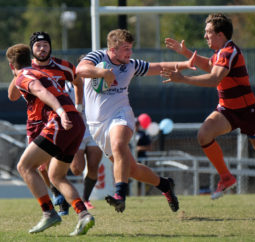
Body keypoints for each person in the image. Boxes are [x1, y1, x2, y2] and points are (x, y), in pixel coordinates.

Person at [161, 13, 255, 216]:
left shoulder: (230, 51)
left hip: (249, 112)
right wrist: (185, 52)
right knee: (203, 135)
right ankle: (226, 177)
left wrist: (183, 79)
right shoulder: (220, 52)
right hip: (227, 110)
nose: (205, 36)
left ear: (220, 34)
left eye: (208, 33)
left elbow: (214, 77)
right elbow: (209, 65)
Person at [76, 29, 196, 213]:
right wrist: (102, 73)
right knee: (130, 169)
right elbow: (81, 69)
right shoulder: (98, 56)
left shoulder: (130, 65)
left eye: (131, 48)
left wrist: (186, 64)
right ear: (113, 49)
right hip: (97, 125)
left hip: (121, 114)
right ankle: (164, 185)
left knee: (118, 145)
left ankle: (119, 196)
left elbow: (159, 66)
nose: (130, 53)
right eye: (125, 49)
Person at [6, 43, 94, 235]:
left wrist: (61, 113)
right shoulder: (38, 72)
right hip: (76, 123)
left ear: (11, 66)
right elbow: (13, 94)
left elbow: (41, 92)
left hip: (61, 121)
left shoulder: (25, 76)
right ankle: (83, 215)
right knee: (56, 175)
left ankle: (49, 213)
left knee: (24, 166)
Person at [65, 56, 103, 209]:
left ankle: (85, 199)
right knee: (76, 169)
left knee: (94, 166)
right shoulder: (70, 84)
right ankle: (62, 189)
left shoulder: (100, 83)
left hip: (94, 129)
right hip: (77, 131)